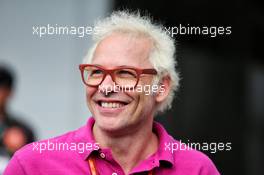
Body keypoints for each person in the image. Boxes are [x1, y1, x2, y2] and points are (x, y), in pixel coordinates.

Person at [4, 11, 220, 175]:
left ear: (161, 87)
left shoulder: (197, 169)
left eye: (125, 73)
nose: (106, 87)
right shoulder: (33, 165)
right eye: (97, 71)